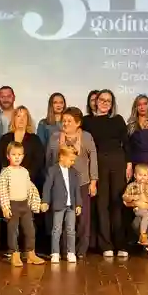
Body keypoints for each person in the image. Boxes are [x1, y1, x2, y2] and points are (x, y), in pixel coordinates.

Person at [83, 89, 131, 258]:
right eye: (102, 100)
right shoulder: (87, 121)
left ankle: (121, 244)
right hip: (98, 164)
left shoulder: (117, 120)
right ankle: (106, 245)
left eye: (108, 101)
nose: (104, 103)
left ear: (112, 105)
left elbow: (126, 142)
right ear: (96, 101)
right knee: (102, 204)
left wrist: (129, 164)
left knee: (117, 203)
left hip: (118, 162)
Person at [46, 107, 98, 258]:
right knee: (61, 219)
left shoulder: (86, 137)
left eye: (69, 121)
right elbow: (49, 160)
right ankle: (63, 250)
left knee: (82, 218)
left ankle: (80, 250)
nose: (65, 123)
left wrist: (93, 182)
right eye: (64, 120)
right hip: (61, 185)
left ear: (78, 123)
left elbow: (93, 159)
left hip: (82, 183)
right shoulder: (55, 137)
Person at [0, 141, 43, 267]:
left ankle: (30, 253)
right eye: (14, 154)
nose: (17, 157)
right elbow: (3, 191)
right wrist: (5, 207)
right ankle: (14, 254)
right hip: (13, 205)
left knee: (30, 230)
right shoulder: (5, 173)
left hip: (24, 205)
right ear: (8, 156)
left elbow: (30, 188)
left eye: (19, 154)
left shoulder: (25, 172)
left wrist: (36, 203)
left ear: (23, 156)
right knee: (13, 231)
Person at [41, 146, 82, 264]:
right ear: (62, 157)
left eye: (74, 160)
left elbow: (76, 190)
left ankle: (71, 252)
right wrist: (45, 201)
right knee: (56, 229)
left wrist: (78, 204)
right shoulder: (52, 170)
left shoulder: (74, 172)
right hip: (58, 204)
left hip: (71, 205)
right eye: (71, 160)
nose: (72, 162)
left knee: (71, 230)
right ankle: (55, 253)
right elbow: (47, 187)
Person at [123, 163, 148, 258]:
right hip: (140, 209)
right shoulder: (132, 186)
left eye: (145, 175)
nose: (142, 178)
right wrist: (132, 198)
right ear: (135, 175)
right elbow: (125, 197)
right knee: (146, 215)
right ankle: (143, 235)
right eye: (140, 175)